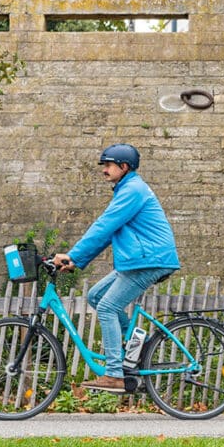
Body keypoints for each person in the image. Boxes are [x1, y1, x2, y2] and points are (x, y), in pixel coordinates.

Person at [53, 144, 180, 393]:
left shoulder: (132, 190)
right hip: (140, 259)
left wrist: (72, 254)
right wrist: (76, 260)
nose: (104, 170)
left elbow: (104, 225)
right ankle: (136, 345)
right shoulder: (127, 189)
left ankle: (114, 374)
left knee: (108, 307)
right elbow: (106, 233)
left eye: (108, 165)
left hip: (148, 260)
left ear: (124, 167)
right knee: (96, 296)